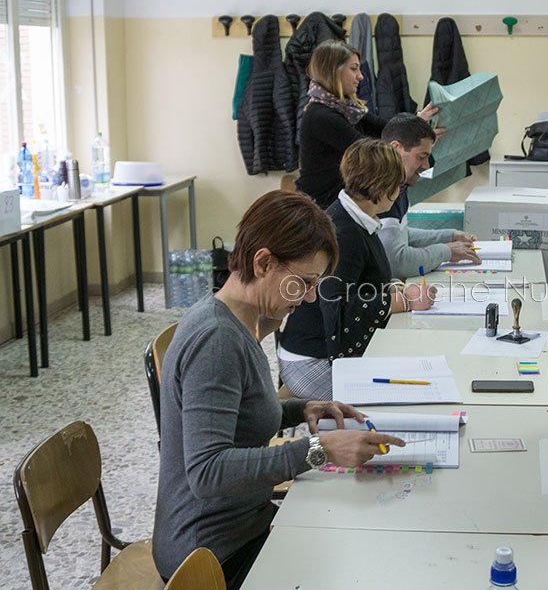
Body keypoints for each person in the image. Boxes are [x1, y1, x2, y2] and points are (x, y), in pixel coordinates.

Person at [152, 190, 405, 589]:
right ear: (263, 261)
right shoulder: (216, 340)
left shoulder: (239, 318)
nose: (308, 297)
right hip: (208, 555)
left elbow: (238, 410)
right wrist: (320, 450)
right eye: (303, 283)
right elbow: (207, 471)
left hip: (240, 524)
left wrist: (300, 408)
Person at [280, 138, 435, 400]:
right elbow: (337, 305)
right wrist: (403, 301)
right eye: (397, 185)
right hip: (313, 360)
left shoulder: (356, 217)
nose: (399, 192)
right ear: (383, 187)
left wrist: (394, 290)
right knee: (406, 394)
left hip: (319, 351)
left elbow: (361, 282)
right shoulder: (345, 232)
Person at [297, 40, 439, 208]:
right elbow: (369, 152)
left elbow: (386, 128)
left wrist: (418, 123)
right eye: (354, 68)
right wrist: (414, 135)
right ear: (333, 71)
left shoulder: (349, 108)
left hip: (341, 201)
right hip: (323, 207)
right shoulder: (320, 115)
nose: (361, 76)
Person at [377, 113, 481, 278]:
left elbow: (401, 236)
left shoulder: (399, 186)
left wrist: (450, 235)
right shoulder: (380, 193)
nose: (426, 165)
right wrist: (446, 251)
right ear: (396, 148)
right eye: (421, 157)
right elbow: (398, 263)